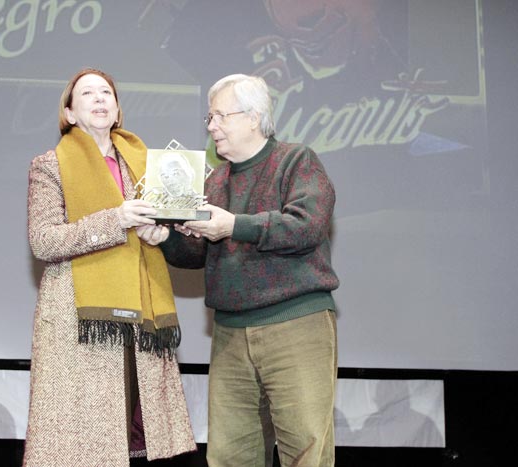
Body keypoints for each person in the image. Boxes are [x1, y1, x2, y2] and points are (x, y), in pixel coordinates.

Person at [138, 74, 339, 467]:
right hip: (229, 331)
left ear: (253, 117)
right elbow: (197, 253)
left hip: (296, 323)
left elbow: (307, 225)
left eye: (219, 116)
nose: (211, 126)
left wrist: (233, 225)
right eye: (209, 118)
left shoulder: (297, 161)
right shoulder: (214, 181)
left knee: (306, 448)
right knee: (230, 453)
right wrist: (162, 237)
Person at [24, 68, 195, 466]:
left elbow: (174, 227)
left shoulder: (148, 163)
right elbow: (43, 241)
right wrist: (115, 220)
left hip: (140, 315)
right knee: (81, 443)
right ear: (68, 113)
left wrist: (161, 233)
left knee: (138, 437)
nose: (100, 99)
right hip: (78, 318)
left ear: (117, 110)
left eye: (107, 93)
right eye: (87, 93)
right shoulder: (49, 165)